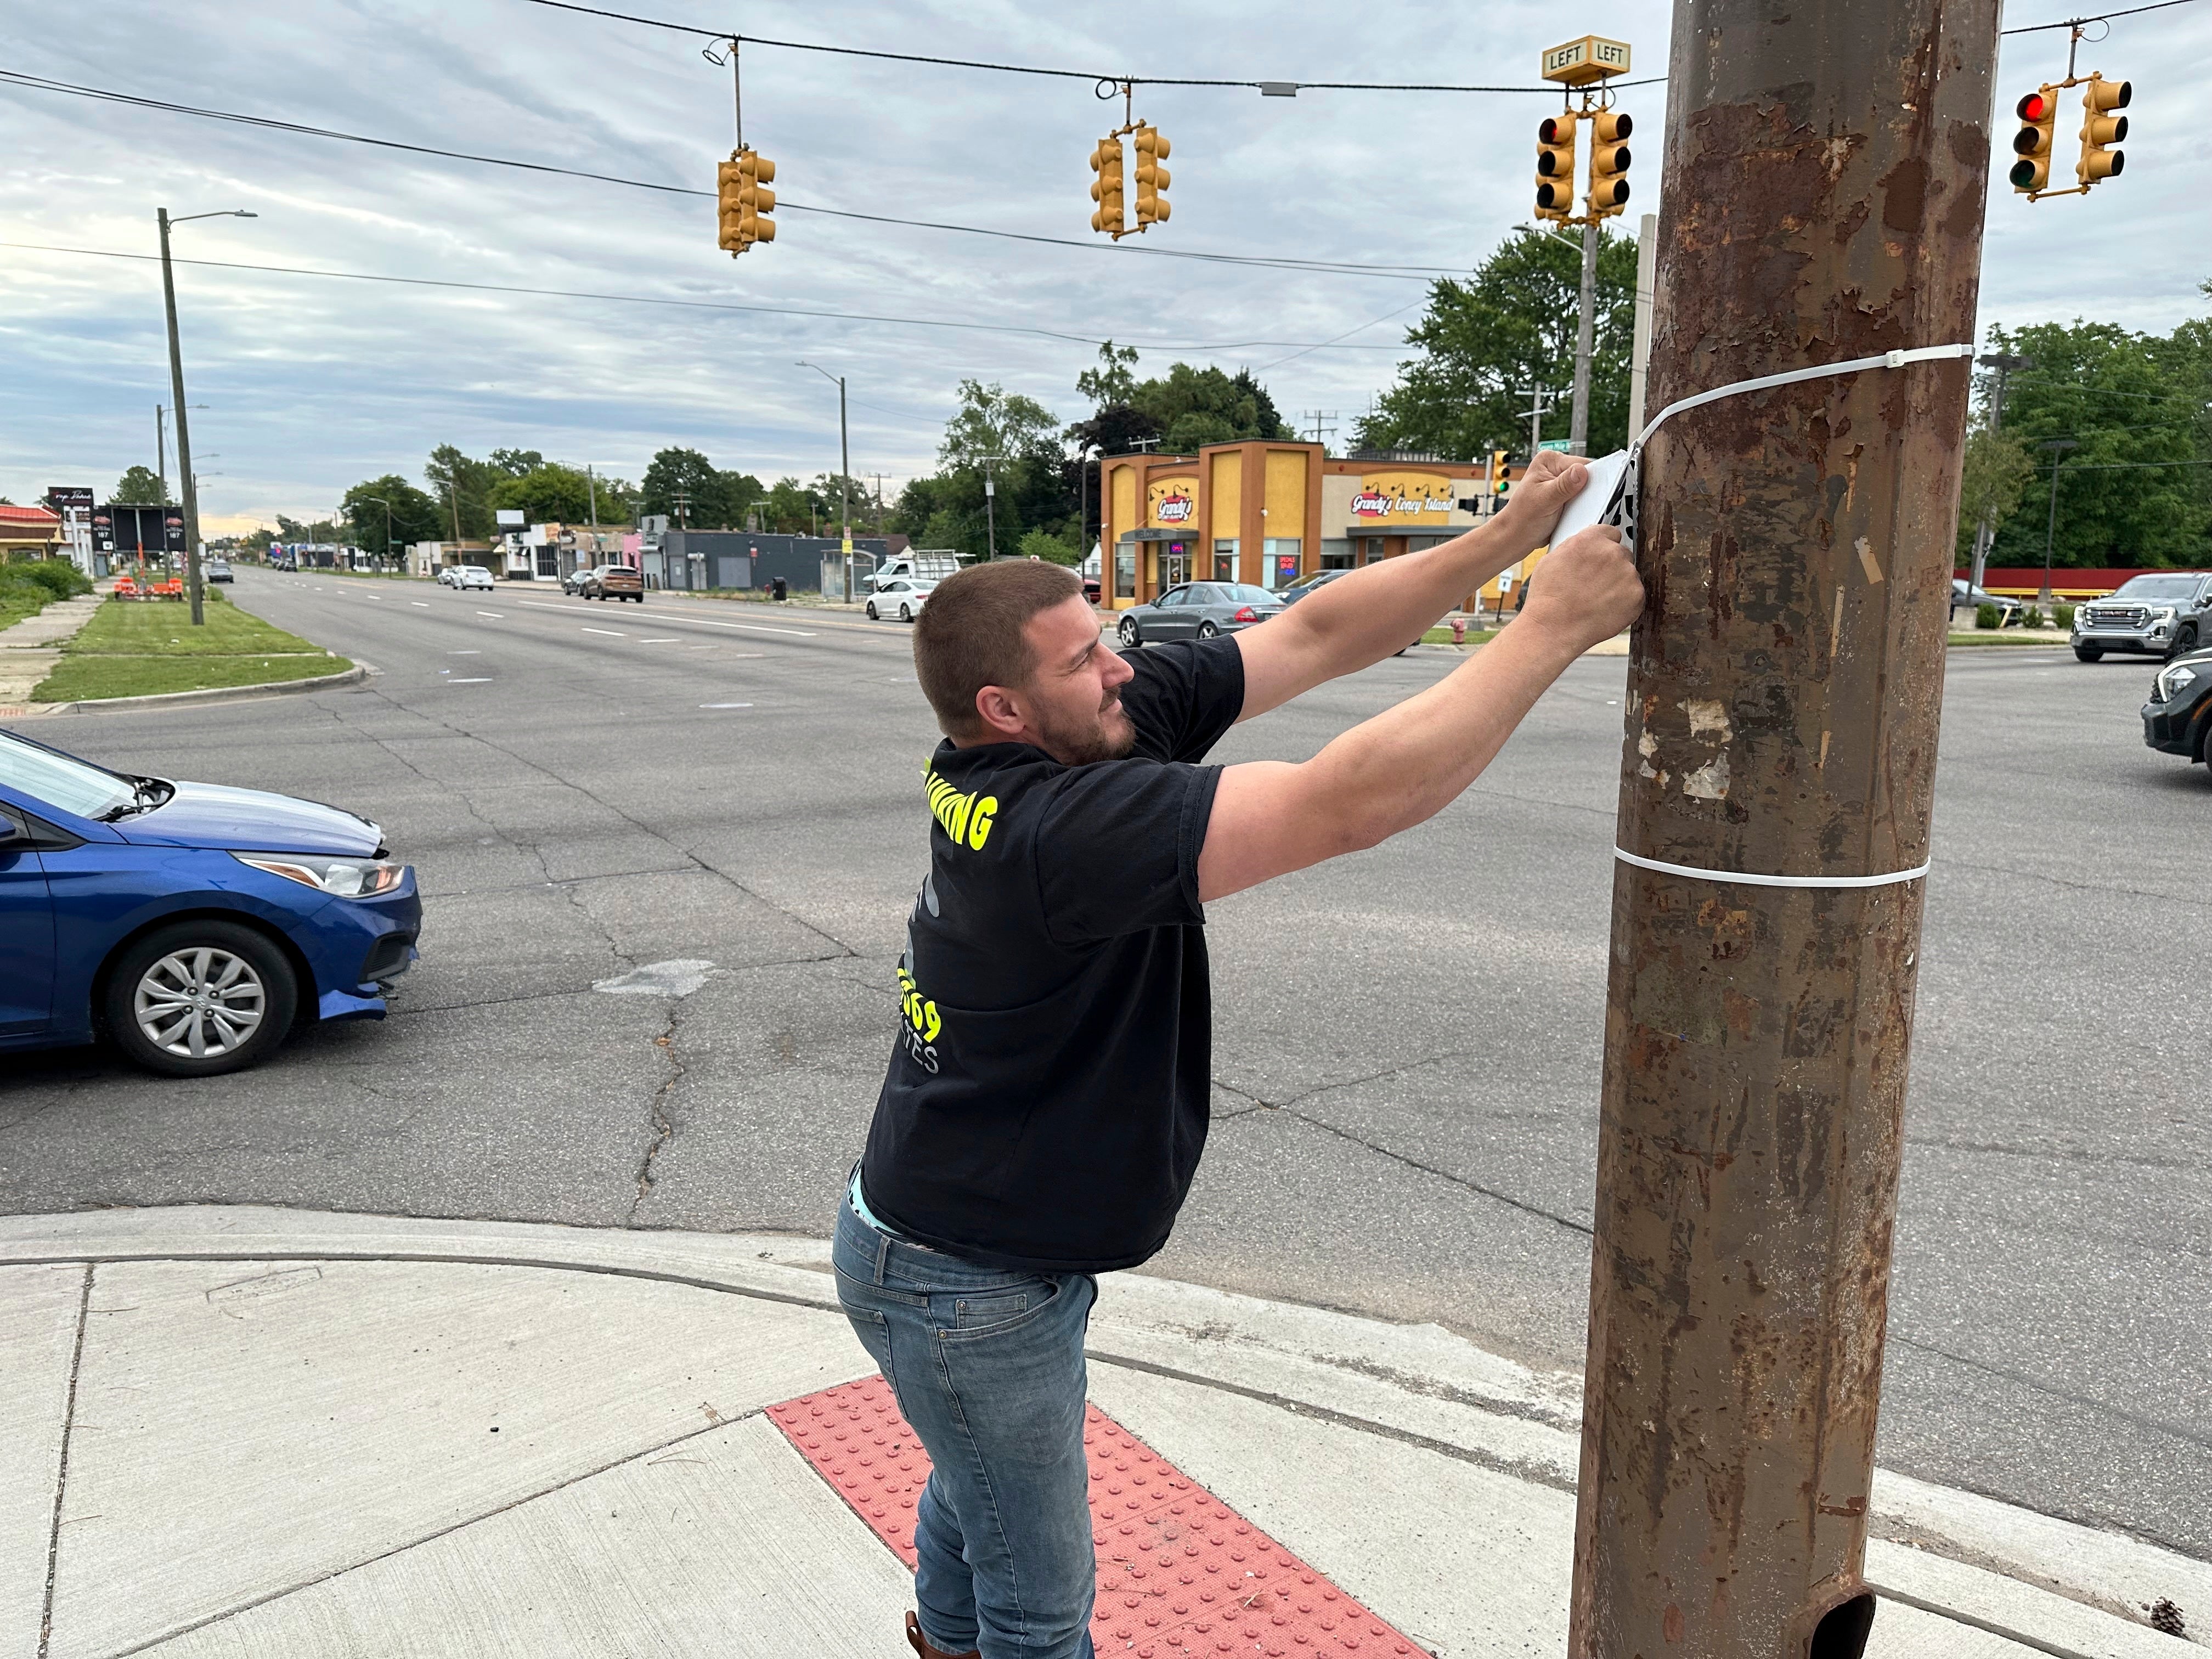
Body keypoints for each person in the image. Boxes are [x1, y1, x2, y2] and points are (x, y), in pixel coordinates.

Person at [836, 450, 1640, 1659]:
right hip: (967, 1285)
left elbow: (1313, 633)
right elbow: (1344, 802)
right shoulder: (1059, 831)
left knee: (978, 1484)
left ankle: (941, 1640)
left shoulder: (1082, 734)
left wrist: (1505, 537)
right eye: (1085, 661)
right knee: (1041, 1612)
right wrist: (1547, 632)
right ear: (1004, 708)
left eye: (1106, 640)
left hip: (942, 1246)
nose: (1123, 669)